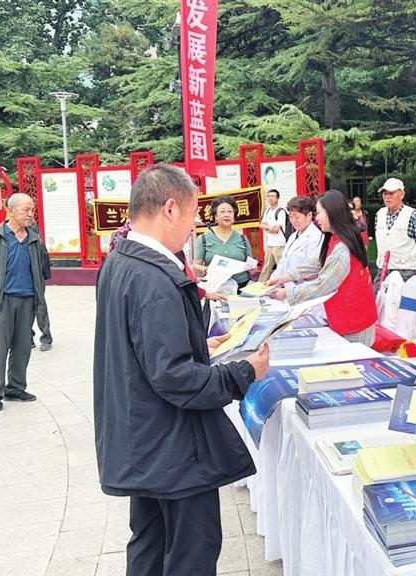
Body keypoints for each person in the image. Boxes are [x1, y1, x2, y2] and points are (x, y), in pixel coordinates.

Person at [94, 165, 270, 576]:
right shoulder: (154, 277)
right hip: (172, 447)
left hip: (142, 439)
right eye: (192, 216)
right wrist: (245, 372)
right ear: (170, 209)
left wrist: (196, 345)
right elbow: (174, 378)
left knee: (150, 545)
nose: (194, 227)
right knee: (192, 552)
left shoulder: (120, 260)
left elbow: (138, 349)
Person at [271, 190, 377, 345]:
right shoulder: (335, 238)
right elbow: (317, 263)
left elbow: (323, 285)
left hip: (353, 321)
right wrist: (282, 278)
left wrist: (287, 293)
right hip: (347, 316)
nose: (317, 218)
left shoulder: (342, 248)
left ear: (332, 213)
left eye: (319, 213)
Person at [0, 193, 45, 412]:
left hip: (27, 300)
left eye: (32, 210)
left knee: (22, 348)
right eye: (26, 210)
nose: (30, 214)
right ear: (10, 211)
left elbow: (44, 269)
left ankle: (16, 389)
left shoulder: (34, 240)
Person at [373, 177, 416, 286]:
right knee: (377, 296)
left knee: (403, 297)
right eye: (385, 193)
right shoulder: (379, 214)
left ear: (402, 195)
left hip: (405, 270)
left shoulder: (412, 215)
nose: (387, 197)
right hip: (382, 268)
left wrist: (412, 257)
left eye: (391, 193)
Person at [193, 195, 254, 291]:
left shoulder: (242, 238)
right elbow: (196, 266)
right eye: (222, 211)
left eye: (230, 212)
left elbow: (250, 263)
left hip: (241, 286)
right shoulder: (203, 239)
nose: (227, 215)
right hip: (215, 288)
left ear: (234, 216)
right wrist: (208, 270)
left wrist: (252, 267)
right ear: (215, 217)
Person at [267, 195, 323, 288]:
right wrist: (273, 281)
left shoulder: (316, 237)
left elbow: (311, 270)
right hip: (284, 287)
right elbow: (283, 262)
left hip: (301, 289)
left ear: (309, 215)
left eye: (296, 217)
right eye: (290, 216)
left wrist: (287, 288)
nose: (293, 221)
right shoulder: (293, 236)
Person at [29, 224, 53, 351]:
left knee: (40, 308)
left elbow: (45, 259)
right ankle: (29, 338)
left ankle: (46, 338)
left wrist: (44, 275)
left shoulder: (37, 242)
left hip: (37, 279)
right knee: (25, 310)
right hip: (22, 281)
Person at [258, 188, 287, 282]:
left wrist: (267, 228)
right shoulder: (268, 210)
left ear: (277, 198)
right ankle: (260, 285)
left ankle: (286, 285)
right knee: (266, 267)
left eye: (273, 196)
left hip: (279, 244)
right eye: (269, 196)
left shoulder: (281, 211)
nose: (270, 198)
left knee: (282, 267)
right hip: (270, 243)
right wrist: (269, 228)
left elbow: (276, 229)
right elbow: (261, 224)